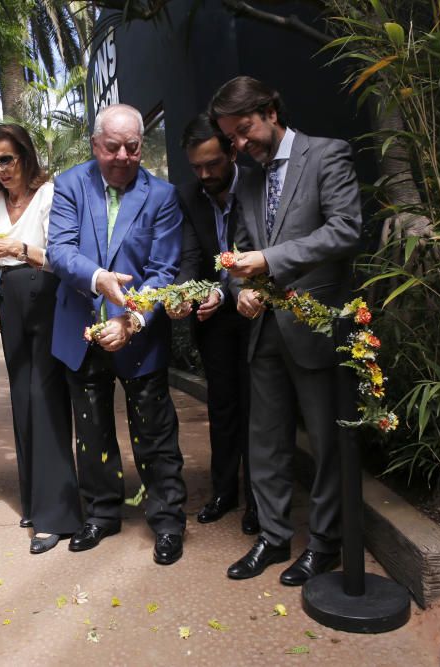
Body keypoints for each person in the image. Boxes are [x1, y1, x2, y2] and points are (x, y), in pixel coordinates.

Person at [208, 76, 363, 585]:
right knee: (267, 443)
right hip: (264, 329)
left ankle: (324, 544)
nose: (240, 144)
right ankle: (273, 538)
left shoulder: (327, 155)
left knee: (323, 443)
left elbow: (345, 229)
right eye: (232, 137)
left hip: (316, 324)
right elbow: (237, 257)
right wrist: (239, 289)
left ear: (272, 110)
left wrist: (268, 262)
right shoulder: (247, 178)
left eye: (245, 130)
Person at [47, 104, 188, 566]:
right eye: (113, 147)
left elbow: (165, 270)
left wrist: (131, 320)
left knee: (155, 430)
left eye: (132, 147)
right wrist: (98, 280)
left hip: (139, 334)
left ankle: (167, 520)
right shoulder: (69, 185)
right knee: (91, 430)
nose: (123, 156)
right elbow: (61, 250)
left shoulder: (162, 195)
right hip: (81, 329)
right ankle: (102, 514)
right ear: (95, 145)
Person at [0, 123, 83, 555]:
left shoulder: (50, 193)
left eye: (8, 158)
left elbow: (59, 256)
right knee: (21, 398)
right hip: (10, 299)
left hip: (46, 294)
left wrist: (13, 249)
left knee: (46, 398)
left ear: (25, 155)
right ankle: (35, 499)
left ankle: (57, 514)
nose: (1, 169)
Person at [171, 114, 258, 535]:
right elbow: (190, 258)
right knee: (222, 407)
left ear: (231, 153)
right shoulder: (190, 197)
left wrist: (225, 290)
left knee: (259, 408)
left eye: (213, 164)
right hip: (214, 316)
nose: (205, 174)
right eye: (197, 167)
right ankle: (225, 492)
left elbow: (259, 248)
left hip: (259, 308)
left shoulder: (257, 185)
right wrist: (186, 292)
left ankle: (260, 500)